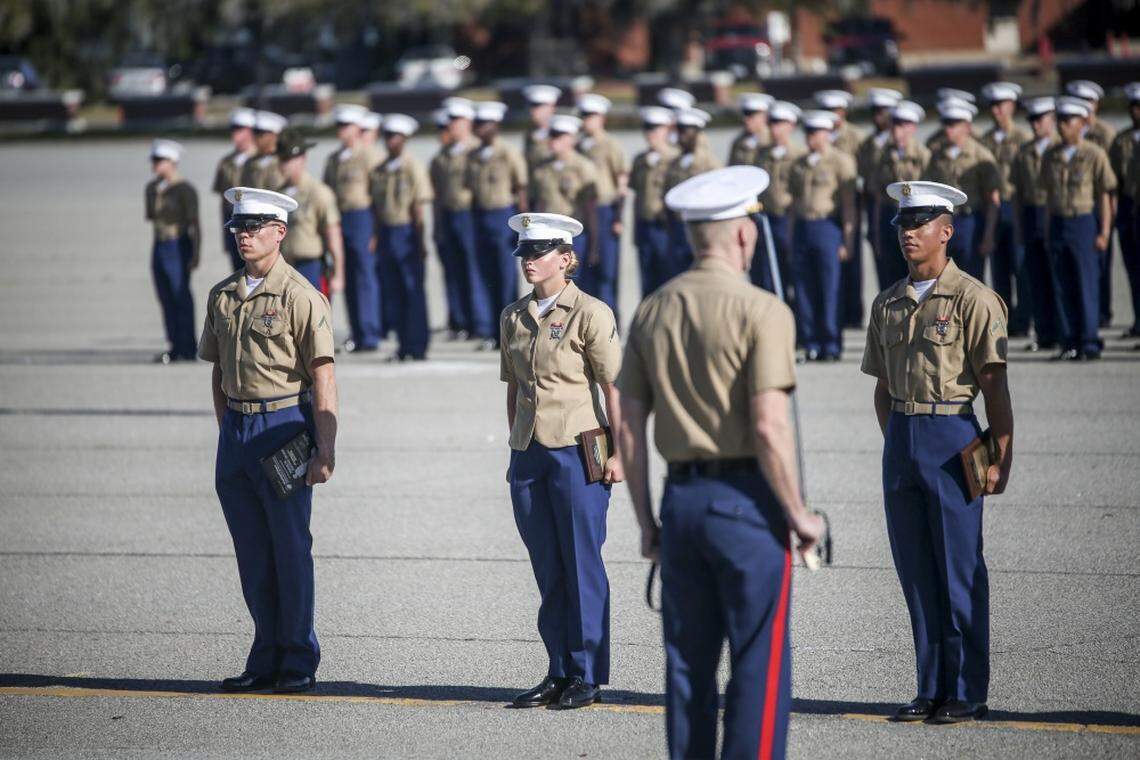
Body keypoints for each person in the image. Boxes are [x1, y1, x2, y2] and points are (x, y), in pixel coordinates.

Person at [617, 165, 824, 760]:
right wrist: (799, 513)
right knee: (758, 667)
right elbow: (767, 426)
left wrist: (646, 525)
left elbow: (629, 429)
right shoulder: (763, 310)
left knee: (686, 670)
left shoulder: (654, 308)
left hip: (680, 503)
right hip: (747, 504)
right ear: (742, 235)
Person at [863, 179, 1014, 725]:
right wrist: (900, 443)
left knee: (959, 569)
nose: (908, 234)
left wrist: (1000, 456)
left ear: (945, 232)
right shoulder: (888, 302)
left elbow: (995, 387)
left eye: (919, 224)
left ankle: (967, 689)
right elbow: (881, 388)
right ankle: (930, 686)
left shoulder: (973, 298)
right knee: (916, 571)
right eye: (902, 225)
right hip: (903, 438)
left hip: (955, 437)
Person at [200, 186, 338, 695]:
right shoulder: (223, 294)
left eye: (255, 226)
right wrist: (229, 434)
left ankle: (298, 658)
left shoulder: (301, 296)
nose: (244, 235)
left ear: (280, 232)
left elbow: (323, 375)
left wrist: (325, 449)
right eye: (238, 227)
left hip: (283, 426)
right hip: (238, 431)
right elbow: (217, 373)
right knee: (253, 553)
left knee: (289, 548)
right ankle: (264, 655)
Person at [500, 212, 624, 710]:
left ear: (566, 258)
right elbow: (513, 388)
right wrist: (514, 446)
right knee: (549, 568)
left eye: (539, 252)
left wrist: (618, 455)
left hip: (579, 449)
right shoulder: (513, 315)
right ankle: (557, 669)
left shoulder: (590, 312)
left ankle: (587, 673)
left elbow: (613, 388)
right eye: (525, 253)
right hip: (530, 453)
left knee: (581, 565)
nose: (529, 261)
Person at [1041, 97, 1117, 361]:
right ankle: (1069, 341)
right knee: (1062, 286)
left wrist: (1104, 231)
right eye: (1060, 121)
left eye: (1068, 121)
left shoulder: (1094, 154)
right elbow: (1049, 197)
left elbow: (1104, 196)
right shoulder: (1051, 155)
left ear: (1082, 123)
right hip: (1060, 223)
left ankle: (1090, 341)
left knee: (1086, 284)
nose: (1063, 126)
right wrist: (1048, 231)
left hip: (1084, 221)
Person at [788, 111, 857, 362]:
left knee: (830, 288)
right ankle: (810, 342)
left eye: (815, 132)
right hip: (804, 228)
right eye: (807, 132)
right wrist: (791, 236)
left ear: (827, 133)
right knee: (804, 289)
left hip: (828, 226)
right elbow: (794, 204)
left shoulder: (841, 161)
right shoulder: (799, 163)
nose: (810, 137)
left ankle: (831, 342)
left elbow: (849, 206)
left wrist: (847, 241)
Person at [371, 114, 434, 362]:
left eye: (395, 136)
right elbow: (376, 207)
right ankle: (403, 343)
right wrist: (375, 236)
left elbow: (419, 208)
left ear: (404, 139)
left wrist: (420, 241)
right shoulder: (380, 170)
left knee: (412, 289)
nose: (390, 141)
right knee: (393, 290)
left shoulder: (412, 167)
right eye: (387, 136)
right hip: (387, 233)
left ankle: (418, 344)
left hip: (407, 232)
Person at [467, 101, 529, 349]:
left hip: (503, 215)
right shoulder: (473, 156)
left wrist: (522, 227)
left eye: (484, 124)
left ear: (495, 125)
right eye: (477, 124)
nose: (479, 128)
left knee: (505, 277)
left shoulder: (508, 152)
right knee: (485, 275)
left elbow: (521, 188)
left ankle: (510, 330)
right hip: (481, 215)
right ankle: (491, 330)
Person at [324, 103, 383, 353]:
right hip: (341, 217)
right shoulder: (335, 158)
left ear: (358, 128)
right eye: (339, 125)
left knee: (364, 275)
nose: (342, 130)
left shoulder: (370, 155)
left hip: (363, 217)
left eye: (347, 125)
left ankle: (369, 332)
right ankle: (357, 331)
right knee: (346, 274)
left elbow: (379, 195)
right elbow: (327, 190)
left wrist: (376, 230)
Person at [431, 97, 487, 341]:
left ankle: (479, 322)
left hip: (469, 214)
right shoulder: (442, 156)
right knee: (453, 270)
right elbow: (436, 192)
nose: (451, 126)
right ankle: (459, 320)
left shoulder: (476, 151)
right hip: (448, 214)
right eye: (449, 121)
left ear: (468, 123)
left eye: (456, 120)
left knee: (474, 269)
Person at [926, 99, 1000, 281]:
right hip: (942, 221)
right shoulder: (936, 155)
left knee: (971, 279)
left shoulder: (980, 155)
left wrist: (989, 234)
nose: (948, 129)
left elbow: (992, 199)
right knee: (942, 279)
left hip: (970, 222)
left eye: (954, 124)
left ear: (967, 126)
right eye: (946, 124)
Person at [980, 82, 1033, 337]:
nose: (996, 111)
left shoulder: (1023, 138)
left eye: (1001, 105)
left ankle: (1023, 320)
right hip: (991, 207)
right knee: (998, 269)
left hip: (1014, 204)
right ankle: (1003, 320)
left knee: (1020, 266)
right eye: (993, 106)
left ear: (1011, 106)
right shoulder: (986, 140)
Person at [1011, 97, 1061, 352]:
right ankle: (1044, 333)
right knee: (1035, 277)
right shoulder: (1024, 153)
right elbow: (1017, 194)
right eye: (1032, 120)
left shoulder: (1060, 148)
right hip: (1031, 215)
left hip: (1054, 213)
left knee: (1058, 278)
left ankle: (1065, 332)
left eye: (1040, 120)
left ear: (1052, 120)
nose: (1035, 125)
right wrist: (1019, 227)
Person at [1065, 82, 1116, 329]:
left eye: (1087, 101)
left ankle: (1101, 313)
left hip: (1096, 206)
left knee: (1100, 266)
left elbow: (1110, 179)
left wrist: (1110, 218)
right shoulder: (1064, 138)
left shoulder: (1104, 135)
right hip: (1073, 207)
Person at [146, 139, 200, 364]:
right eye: (154, 160)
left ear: (172, 162)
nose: (155, 165)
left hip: (178, 244)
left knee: (180, 295)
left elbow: (194, 224)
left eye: (160, 160)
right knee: (165, 295)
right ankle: (174, 344)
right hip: (159, 244)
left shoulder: (185, 189)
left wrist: (196, 253)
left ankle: (188, 345)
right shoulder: (152, 188)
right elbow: (152, 216)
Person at [816, 89, 866, 329]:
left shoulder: (855, 136)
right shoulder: (819, 136)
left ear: (843, 112)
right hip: (826, 201)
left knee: (851, 258)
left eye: (835, 111)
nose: (831, 116)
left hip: (849, 198)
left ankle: (853, 312)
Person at [576, 94, 628, 313]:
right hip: (583, 211)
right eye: (584, 116)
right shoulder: (578, 145)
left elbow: (621, 184)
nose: (587, 120)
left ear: (602, 118)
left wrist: (618, 217)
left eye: (591, 116)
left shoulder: (610, 145)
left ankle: (611, 318)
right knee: (584, 269)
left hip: (605, 209)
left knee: (606, 268)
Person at [870, 100, 930, 289]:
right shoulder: (884, 156)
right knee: (889, 279)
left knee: (915, 277)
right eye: (894, 124)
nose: (897, 130)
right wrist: (876, 231)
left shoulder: (923, 156)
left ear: (913, 128)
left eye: (903, 125)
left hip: (915, 218)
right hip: (890, 217)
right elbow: (879, 196)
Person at [277, 130, 344, 295]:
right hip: (284, 266)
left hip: (311, 267)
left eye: (288, 159)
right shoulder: (278, 194)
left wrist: (338, 274)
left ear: (302, 159)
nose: (283, 165)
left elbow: (333, 236)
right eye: (281, 159)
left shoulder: (317, 192)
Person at [663, 108, 722, 284]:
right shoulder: (675, 163)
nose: (680, 136)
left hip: (702, 228)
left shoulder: (710, 163)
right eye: (678, 130)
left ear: (696, 133)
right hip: (679, 229)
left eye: (685, 131)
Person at [753, 101, 805, 296]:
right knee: (766, 271)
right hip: (766, 217)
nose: (775, 128)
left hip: (788, 218)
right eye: (772, 123)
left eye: (780, 123)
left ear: (791, 126)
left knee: (793, 271)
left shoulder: (799, 155)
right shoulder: (762, 154)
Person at [629, 106, 680, 296]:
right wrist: (635, 231)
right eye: (647, 128)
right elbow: (637, 196)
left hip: (666, 228)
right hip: (645, 226)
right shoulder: (640, 160)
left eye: (656, 128)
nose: (651, 133)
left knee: (669, 279)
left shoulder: (675, 159)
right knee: (647, 282)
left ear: (667, 129)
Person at [856, 89, 904, 292]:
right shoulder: (868, 144)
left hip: (899, 206)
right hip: (877, 207)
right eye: (875, 111)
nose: (878, 115)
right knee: (883, 264)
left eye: (883, 111)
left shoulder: (901, 145)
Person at [1109, 82, 1140, 338]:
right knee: (1133, 269)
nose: (1137, 111)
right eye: (1134, 107)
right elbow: (1114, 180)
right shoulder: (1123, 140)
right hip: (1130, 205)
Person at [213, 108, 257, 271]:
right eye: (233, 129)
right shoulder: (226, 162)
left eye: (239, 129)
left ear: (250, 131)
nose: (235, 134)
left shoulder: (262, 160)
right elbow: (223, 202)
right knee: (239, 275)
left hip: (255, 225)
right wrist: (225, 236)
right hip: (234, 223)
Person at [239, 111, 287, 191]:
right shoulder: (249, 162)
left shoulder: (283, 163)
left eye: (260, 133)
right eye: (254, 132)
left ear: (274, 135)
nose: (255, 137)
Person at [523, 84, 561, 171]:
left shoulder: (561, 134)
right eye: (531, 105)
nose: (533, 110)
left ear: (552, 107)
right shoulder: (530, 134)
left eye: (538, 105)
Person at [727, 92, 772, 166]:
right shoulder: (738, 142)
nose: (746, 119)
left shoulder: (772, 141)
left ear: (764, 116)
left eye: (751, 115)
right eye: (745, 114)